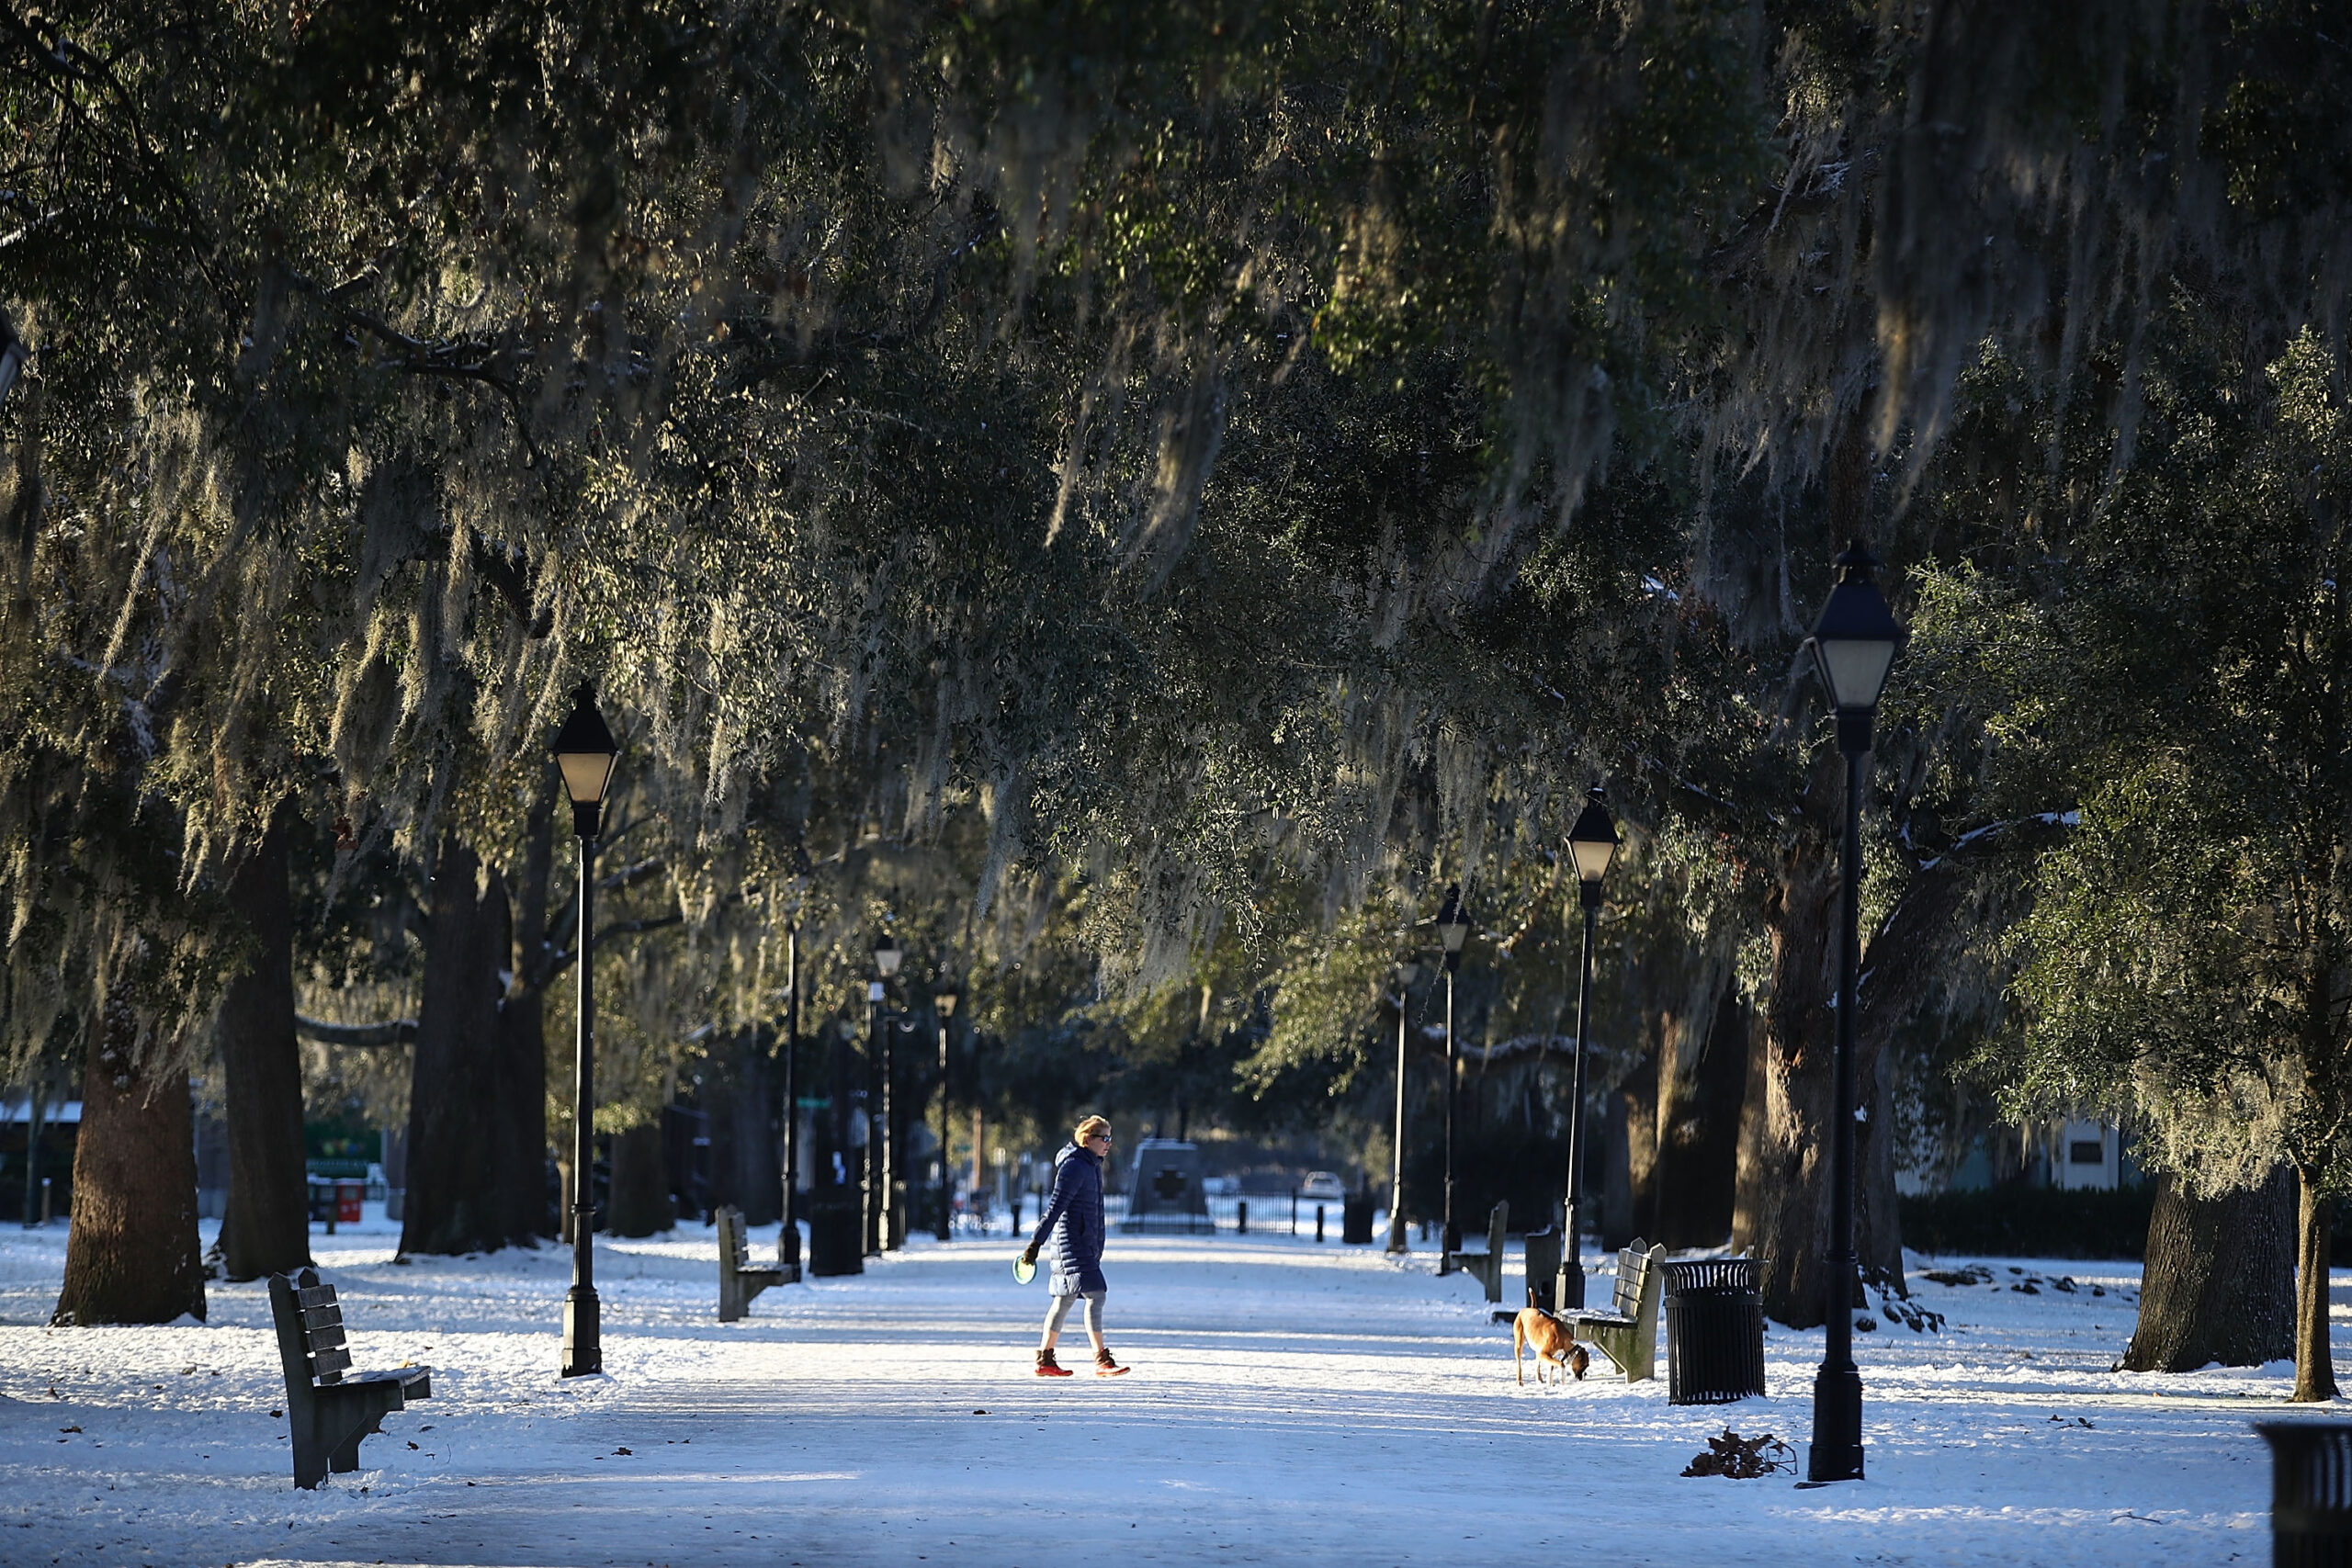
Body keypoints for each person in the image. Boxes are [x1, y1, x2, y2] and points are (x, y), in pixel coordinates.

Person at [1023, 1115, 1128, 1377]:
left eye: (1110, 1138)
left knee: (1065, 1299)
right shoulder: (1074, 1167)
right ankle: (1101, 1359)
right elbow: (1055, 1206)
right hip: (1072, 1245)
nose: (1108, 1143)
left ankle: (1045, 1359)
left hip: (1083, 1245)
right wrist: (1035, 1244)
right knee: (1097, 1293)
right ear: (1087, 1139)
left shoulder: (1091, 1165)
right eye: (1104, 1138)